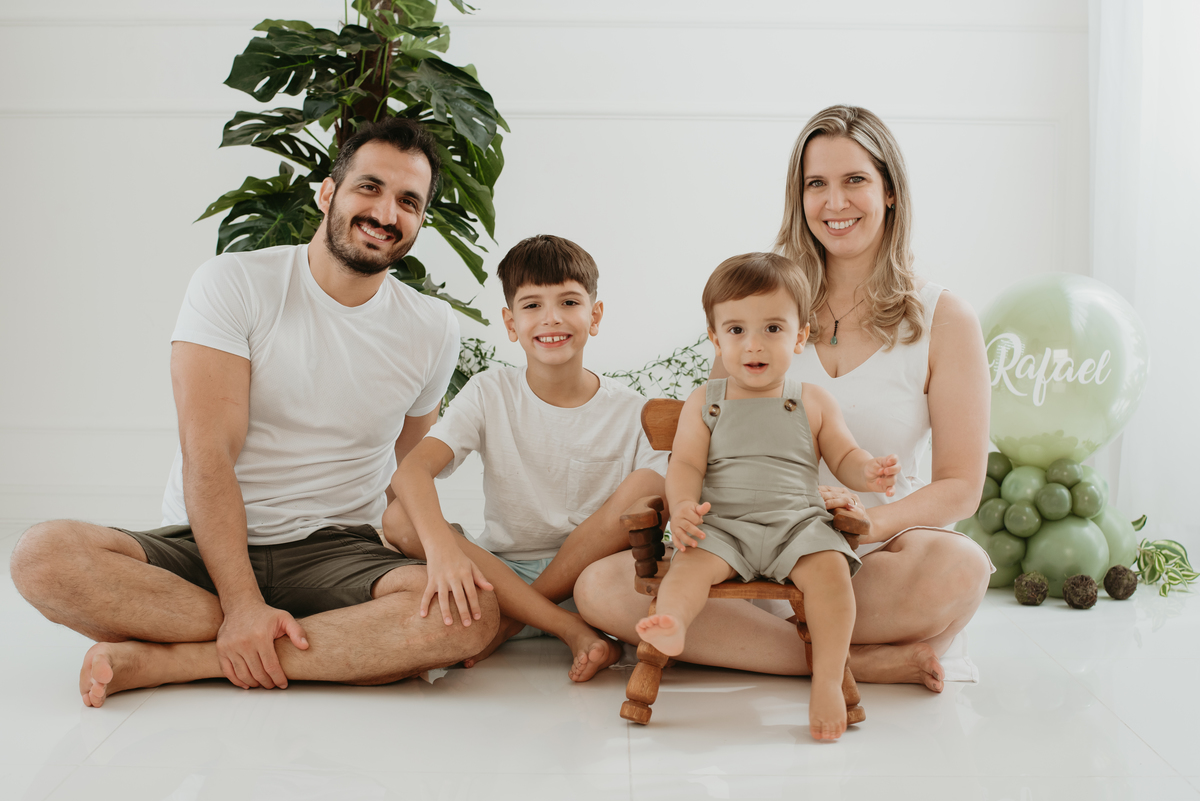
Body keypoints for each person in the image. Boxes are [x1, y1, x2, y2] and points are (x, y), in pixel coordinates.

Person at [9, 118, 500, 707]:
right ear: (328, 193)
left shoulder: (432, 326)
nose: (385, 213)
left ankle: (183, 659)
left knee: (471, 611)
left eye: (408, 201)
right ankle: (313, 639)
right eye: (369, 187)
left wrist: (436, 555)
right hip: (205, 545)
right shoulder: (234, 283)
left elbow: (409, 470)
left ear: (420, 221)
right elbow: (208, 452)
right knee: (43, 558)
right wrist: (241, 603)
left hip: (337, 548)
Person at [575, 105, 993, 692]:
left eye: (855, 180)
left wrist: (869, 523)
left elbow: (960, 486)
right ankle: (847, 663)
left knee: (960, 566)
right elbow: (709, 440)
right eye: (816, 184)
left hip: (865, 563)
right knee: (600, 586)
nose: (835, 202)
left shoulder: (945, 318)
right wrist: (694, 513)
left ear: (890, 191)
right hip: (742, 555)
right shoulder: (759, 305)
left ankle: (762, 647)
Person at [635, 253, 898, 740]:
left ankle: (826, 681)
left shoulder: (813, 400)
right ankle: (673, 623)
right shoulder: (705, 401)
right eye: (736, 330)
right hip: (723, 526)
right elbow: (686, 463)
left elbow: (844, 454)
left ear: (800, 336)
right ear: (715, 339)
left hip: (797, 526)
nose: (753, 344)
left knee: (831, 576)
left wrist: (867, 471)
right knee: (687, 568)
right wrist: (684, 506)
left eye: (773, 328)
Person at [383, 234, 667, 682]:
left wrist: (515, 609)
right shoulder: (490, 391)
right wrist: (442, 553)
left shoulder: (635, 410)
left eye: (569, 302)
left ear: (594, 316)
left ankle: (516, 621)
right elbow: (411, 471)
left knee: (649, 486)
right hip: (501, 574)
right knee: (398, 519)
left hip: (590, 577)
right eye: (532, 305)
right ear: (511, 322)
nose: (551, 318)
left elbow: (654, 506)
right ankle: (566, 627)